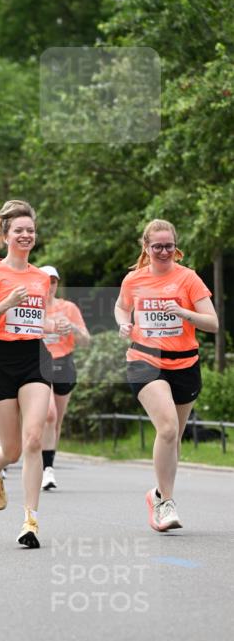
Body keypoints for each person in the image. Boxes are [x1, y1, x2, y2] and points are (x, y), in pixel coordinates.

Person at [114, 219, 217, 531]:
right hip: (145, 361)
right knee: (168, 429)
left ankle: (157, 494)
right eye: (156, 246)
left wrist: (185, 313)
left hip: (185, 364)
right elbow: (121, 306)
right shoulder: (133, 280)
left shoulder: (188, 279)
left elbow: (212, 323)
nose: (163, 251)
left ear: (176, 246)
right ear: (146, 247)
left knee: (173, 440)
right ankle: (167, 505)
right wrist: (123, 323)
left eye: (168, 246)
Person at [0, 200, 55, 548]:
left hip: (34, 358)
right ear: (5, 235)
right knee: (14, 449)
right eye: (19, 230)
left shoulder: (40, 278)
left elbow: (36, 320)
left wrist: (52, 324)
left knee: (35, 437)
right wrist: (4, 305)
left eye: (30, 230)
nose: (25, 235)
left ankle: (30, 521)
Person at [39, 266, 91, 490]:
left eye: (53, 281)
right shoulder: (32, 307)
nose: (49, 286)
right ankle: (46, 470)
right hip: (39, 363)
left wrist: (71, 328)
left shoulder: (68, 308)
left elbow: (86, 341)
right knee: (48, 415)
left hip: (64, 363)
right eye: (45, 281)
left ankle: (48, 463)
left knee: (56, 420)